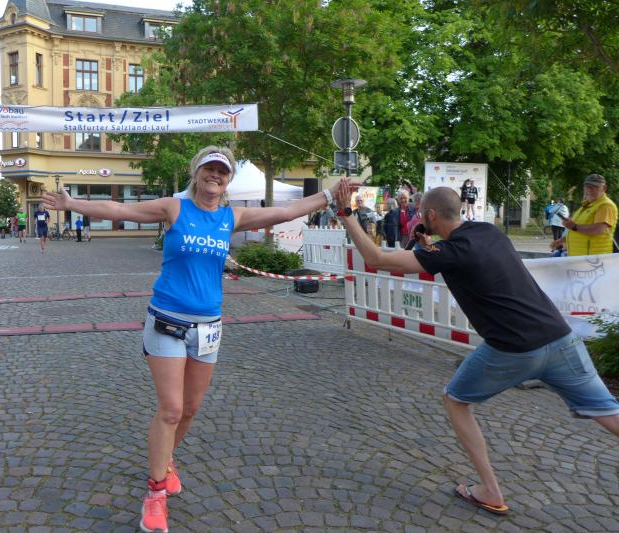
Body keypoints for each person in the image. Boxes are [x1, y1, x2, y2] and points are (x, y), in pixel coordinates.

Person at [42, 146, 342, 533]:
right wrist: (72, 204)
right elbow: (120, 210)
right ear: (196, 173)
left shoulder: (232, 217)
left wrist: (329, 194)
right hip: (167, 320)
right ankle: (155, 493)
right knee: (170, 409)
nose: (215, 175)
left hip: (208, 327)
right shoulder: (174, 208)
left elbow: (286, 212)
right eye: (208, 169)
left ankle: (165, 457)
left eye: (222, 171)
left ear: (228, 180)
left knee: (190, 409)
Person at [335, 182, 619, 517]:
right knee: (607, 412)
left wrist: (347, 214)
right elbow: (464, 257)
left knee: (455, 401)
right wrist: (429, 247)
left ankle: (490, 490)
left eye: (422, 214)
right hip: (560, 338)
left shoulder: (449, 252)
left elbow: (376, 258)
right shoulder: (489, 232)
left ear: (430, 215)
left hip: (513, 348)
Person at [551, 174, 617, 256]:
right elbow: (579, 231)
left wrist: (574, 226)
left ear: (604, 188)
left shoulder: (605, 205)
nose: (590, 190)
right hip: (582, 257)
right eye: (587, 186)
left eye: (595, 187)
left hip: (593, 259)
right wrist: (562, 240)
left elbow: (598, 229)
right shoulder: (586, 206)